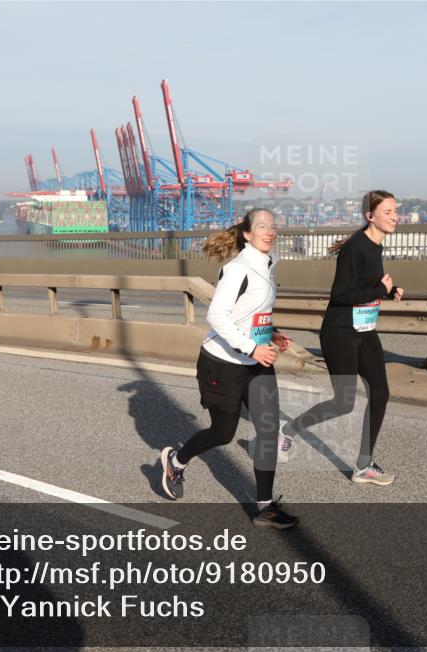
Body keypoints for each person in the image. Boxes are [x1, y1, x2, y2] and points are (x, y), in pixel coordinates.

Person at [160, 208, 298, 529]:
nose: (270, 231)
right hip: (223, 364)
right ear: (247, 234)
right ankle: (176, 461)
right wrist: (252, 346)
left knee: (267, 430)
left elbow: (250, 312)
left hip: (257, 361)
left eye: (273, 225)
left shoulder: (268, 264)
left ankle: (264, 507)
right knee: (223, 433)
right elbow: (218, 317)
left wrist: (271, 332)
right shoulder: (238, 270)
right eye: (262, 226)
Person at [277, 190, 404, 484]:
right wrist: (379, 291)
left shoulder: (375, 246)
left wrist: (390, 290)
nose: (395, 216)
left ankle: (363, 465)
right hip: (339, 333)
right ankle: (288, 430)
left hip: (364, 331)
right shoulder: (356, 248)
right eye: (388, 212)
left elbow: (368, 285)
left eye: (396, 210)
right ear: (370, 216)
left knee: (381, 394)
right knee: (343, 402)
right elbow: (341, 295)